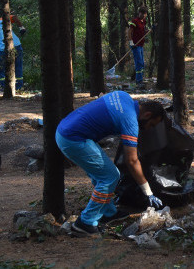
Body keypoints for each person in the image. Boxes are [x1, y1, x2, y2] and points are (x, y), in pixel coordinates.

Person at [56, 91, 166, 236]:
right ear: (147, 115)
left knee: (100, 175)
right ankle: (85, 222)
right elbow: (132, 160)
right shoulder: (130, 121)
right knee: (110, 176)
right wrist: (148, 192)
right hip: (74, 139)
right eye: (151, 125)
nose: (148, 129)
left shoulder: (123, 96)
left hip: (64, 129)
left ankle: (108, 212)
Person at [128, 6, 149, 88]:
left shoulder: (144, 21)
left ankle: (140, 79)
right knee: (139, 62)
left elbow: (143, 31)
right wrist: (131, 42)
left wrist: (148, 31)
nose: (143, 15)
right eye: (142, 13)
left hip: (140, 45)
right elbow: (129, 32)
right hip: (135, 45)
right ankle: (138, 81)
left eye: (144, 14)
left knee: (142, 63)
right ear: (139, 13)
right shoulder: (134, 21)